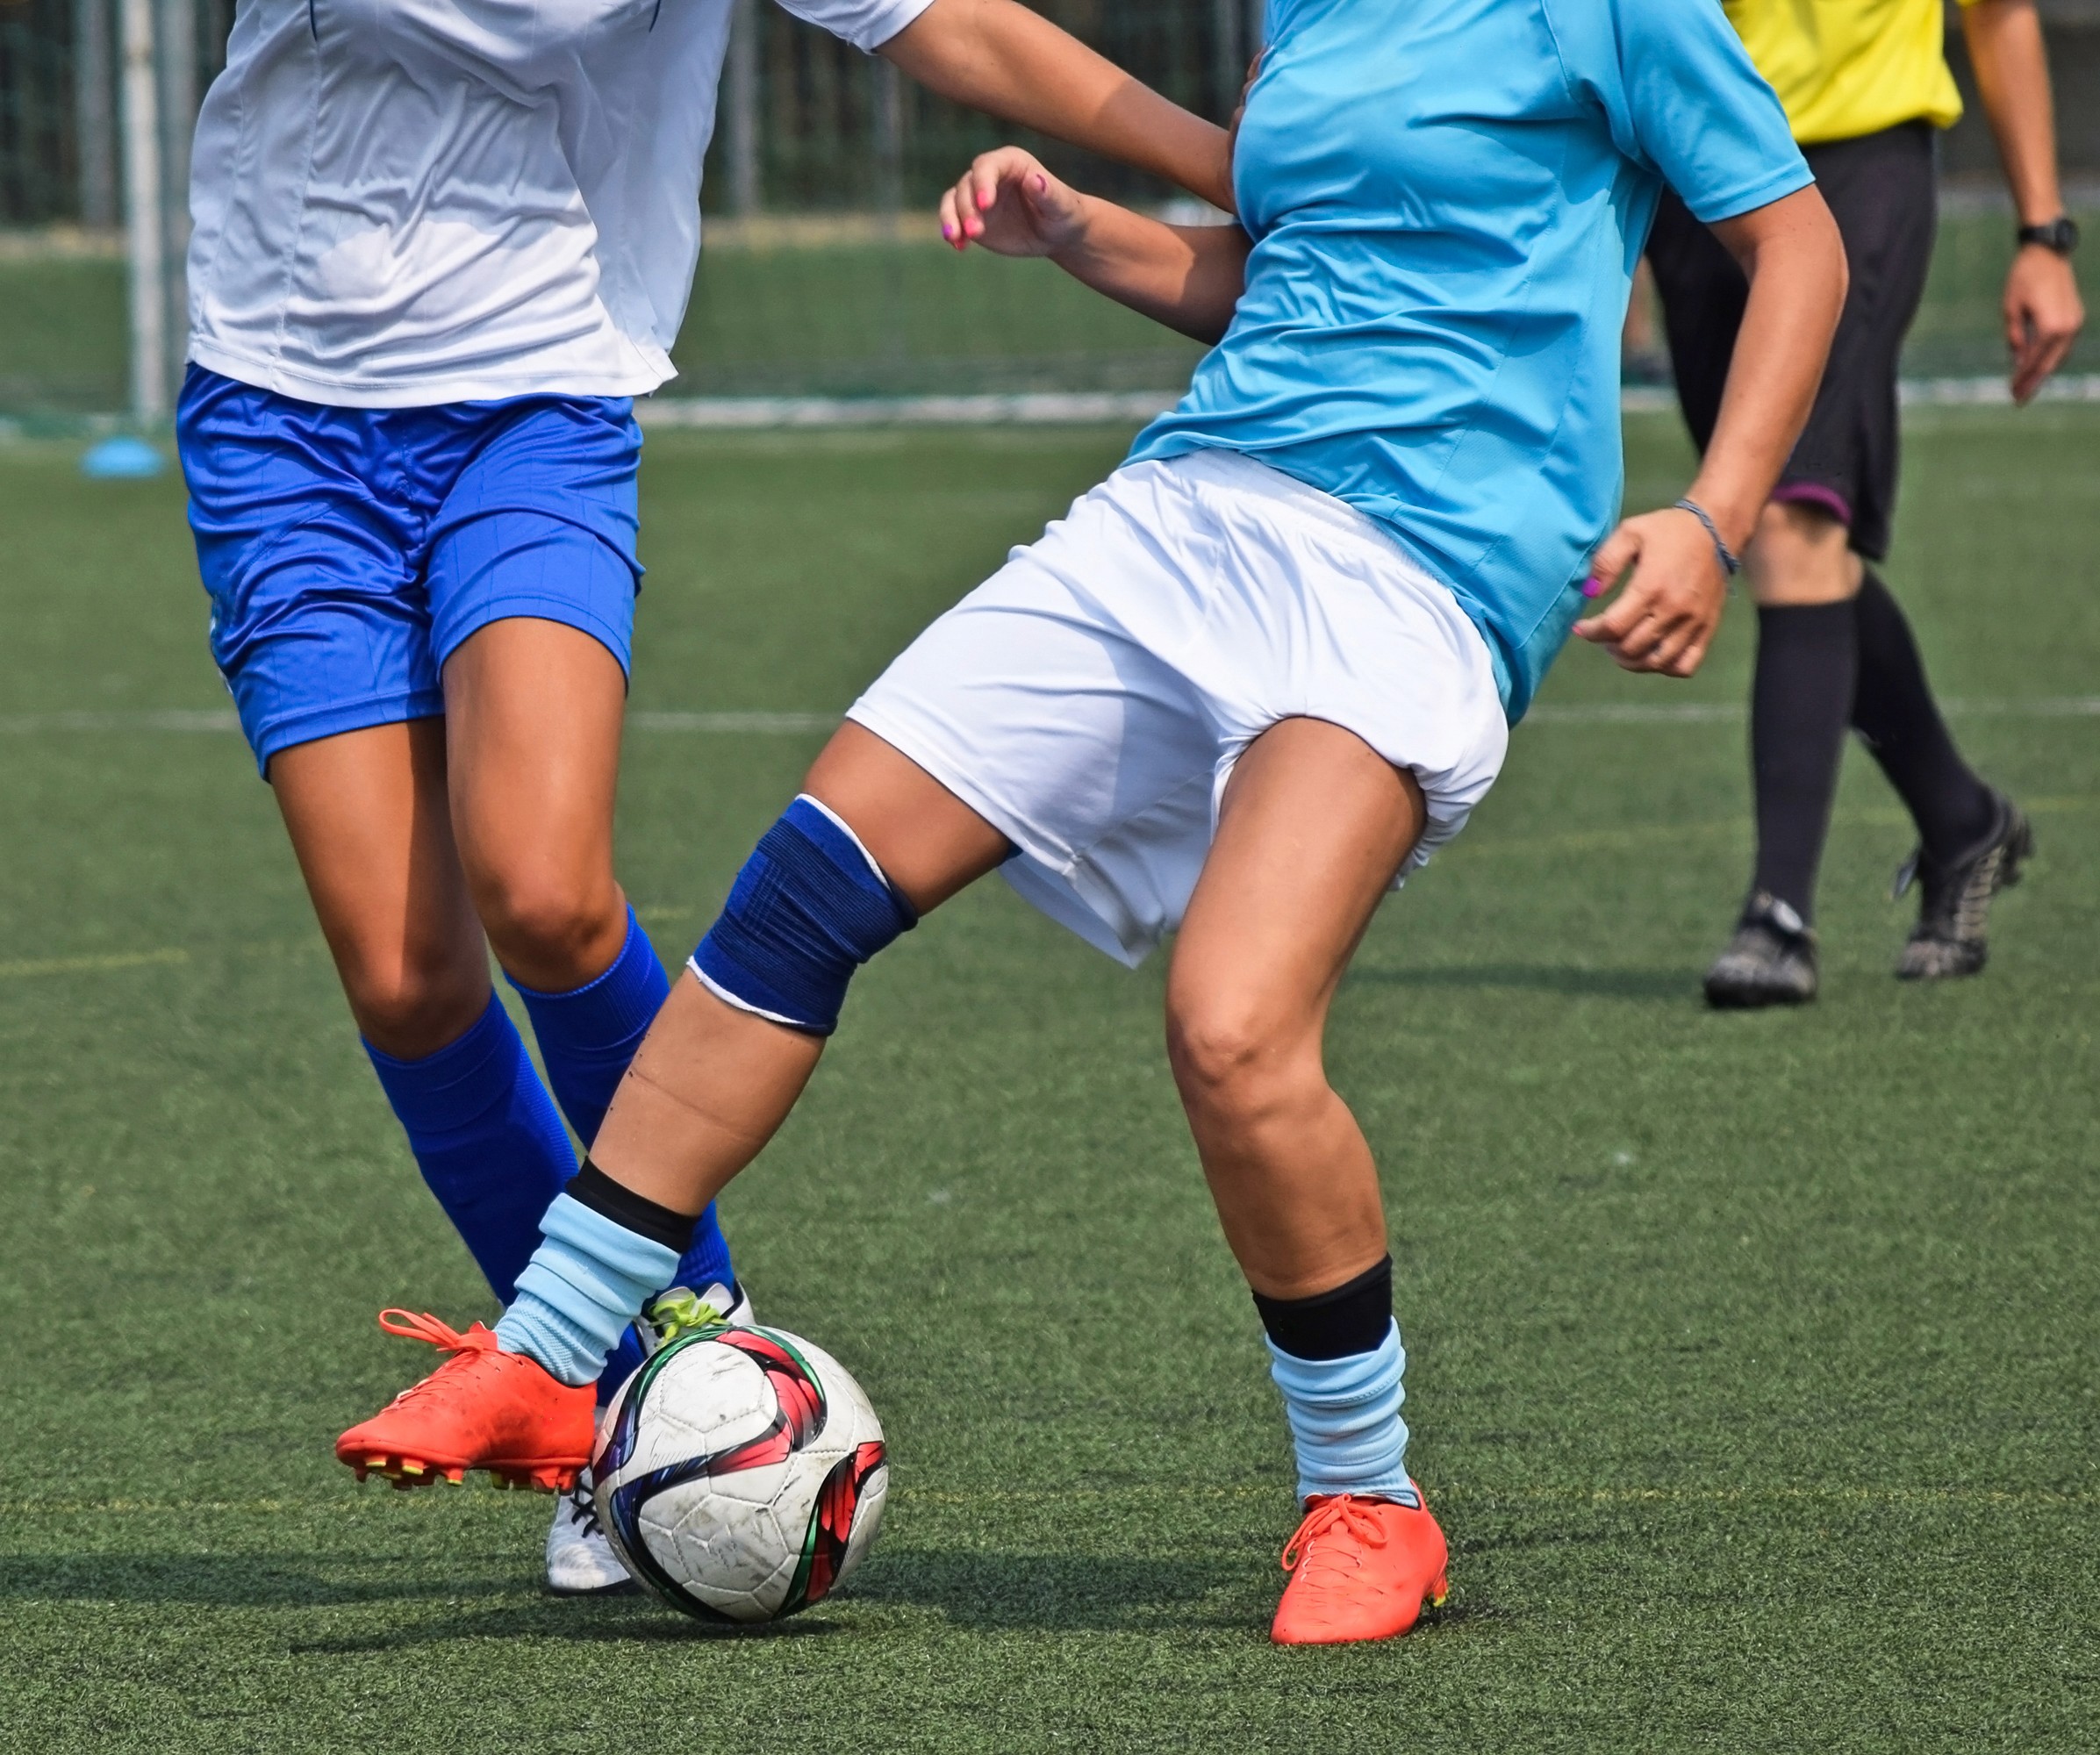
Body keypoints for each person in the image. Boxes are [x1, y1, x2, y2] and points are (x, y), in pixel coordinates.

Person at [332, 0, 1848, 1643]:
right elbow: (1276, 281)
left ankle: (1366, 1500)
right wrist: (1080, 235)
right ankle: (553, 1349)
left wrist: (1710, 513)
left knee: (1234, 1028)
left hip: (1427, 561)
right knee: (803, 888)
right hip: (1198, 501)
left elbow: (1798, 252)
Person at [176, 0, 1232, 1592]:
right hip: (270, 411)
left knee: (543, 888)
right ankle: (616, 1405)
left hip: (529, 397)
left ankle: (671, 1356)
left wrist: (1233, 165)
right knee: (404, 978)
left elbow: (954, 29)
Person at [1646, 0, 2084, 1006]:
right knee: (1777, 530)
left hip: (1857, 160)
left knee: (1791, 527)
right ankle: (1961, 820)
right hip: (1691, 165)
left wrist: (2040, 233)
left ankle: (1778, 915)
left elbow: (1999, 11)